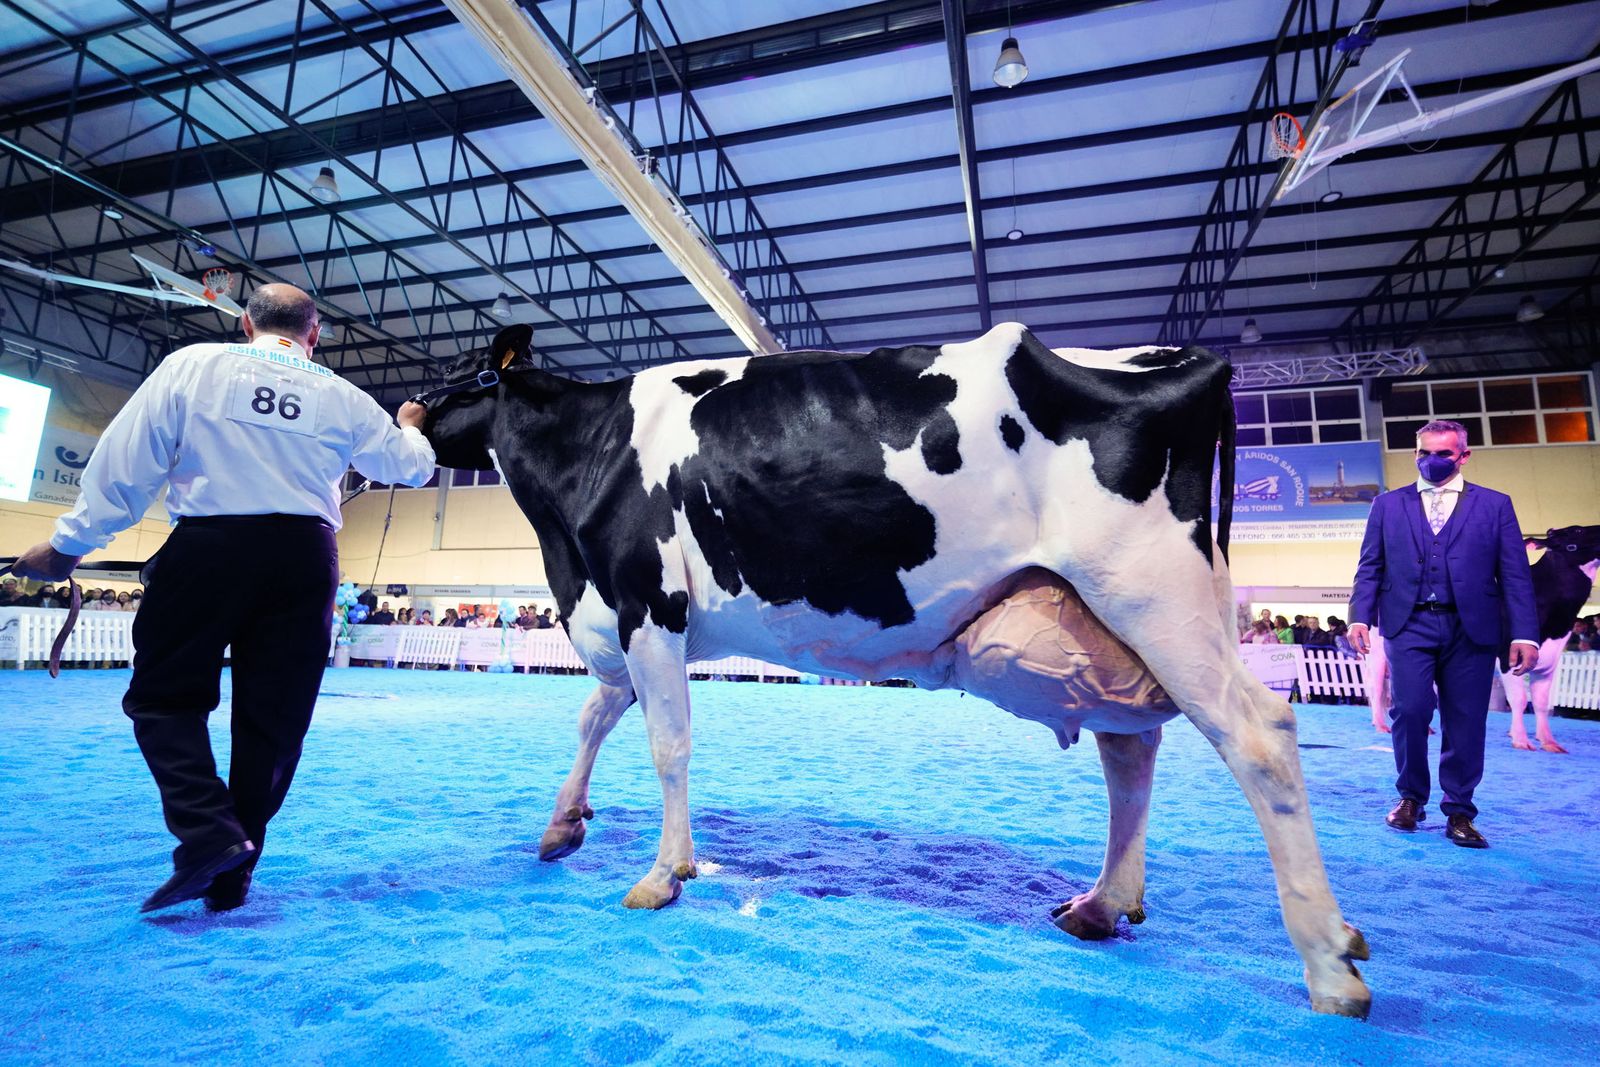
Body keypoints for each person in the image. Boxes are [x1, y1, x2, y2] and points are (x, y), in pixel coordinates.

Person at [9, 282, 435, 913]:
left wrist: (71, 545)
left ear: (245, 324)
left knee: (163, 699)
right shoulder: (344, 397)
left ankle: (209, 835)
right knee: (274, 722)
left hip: (210, 546)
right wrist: (409, 428)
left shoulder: (194, 366)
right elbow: (413, 467)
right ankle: (232, 875)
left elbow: (127, 464)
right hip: (305, 559)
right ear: (315, 335)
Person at [1349, 419, 1536, 849]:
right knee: (1411, 710)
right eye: (1423, 452)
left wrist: (1524, 632)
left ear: (1464, 456)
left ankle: (1460, 811)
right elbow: (1369, 566)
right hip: (1406, 622)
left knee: (1466, 721)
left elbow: (1514, 575)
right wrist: (1359, 616)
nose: (1431, 461)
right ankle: (1411, 798)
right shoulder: (1387, 505)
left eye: (1443, 453)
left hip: (1471, 628)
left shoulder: (1495, 505)